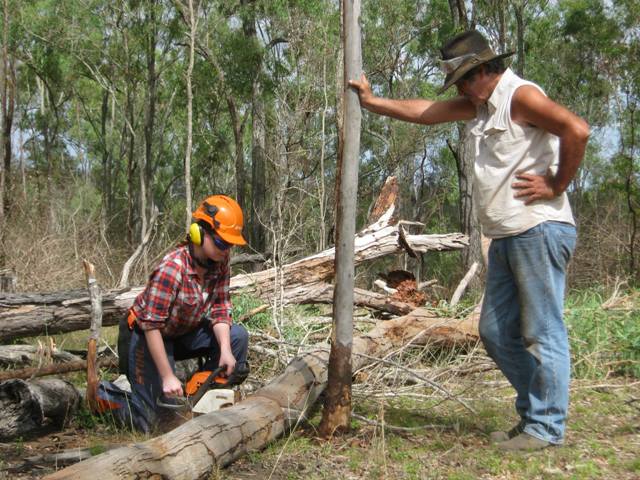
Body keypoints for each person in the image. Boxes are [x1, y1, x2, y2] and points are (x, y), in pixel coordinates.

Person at [349, 30, 589, 450]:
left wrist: (557, 183)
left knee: (541, 330)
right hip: (507, 236)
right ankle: (536, 413)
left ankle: (546, 428)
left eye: (463, 79)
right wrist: (372, 102)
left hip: (539, 229)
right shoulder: (481, 105)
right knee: (496, 331)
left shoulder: (520, 97)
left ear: (485, 71)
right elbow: (425, 111)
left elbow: (577, 130)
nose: (459, 89)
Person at [98, 194, 249, 433]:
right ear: (199, 233)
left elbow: (220, 306)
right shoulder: (172, 269)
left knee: (237, 336)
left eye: (230, 244)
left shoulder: (220, 262)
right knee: (154, 423)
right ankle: (103, 395)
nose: (226, 249)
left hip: (182, 332)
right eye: (222, 243)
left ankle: (193, 401)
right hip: (145, 336)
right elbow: (150, 325)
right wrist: (168, 376)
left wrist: (226, 352)